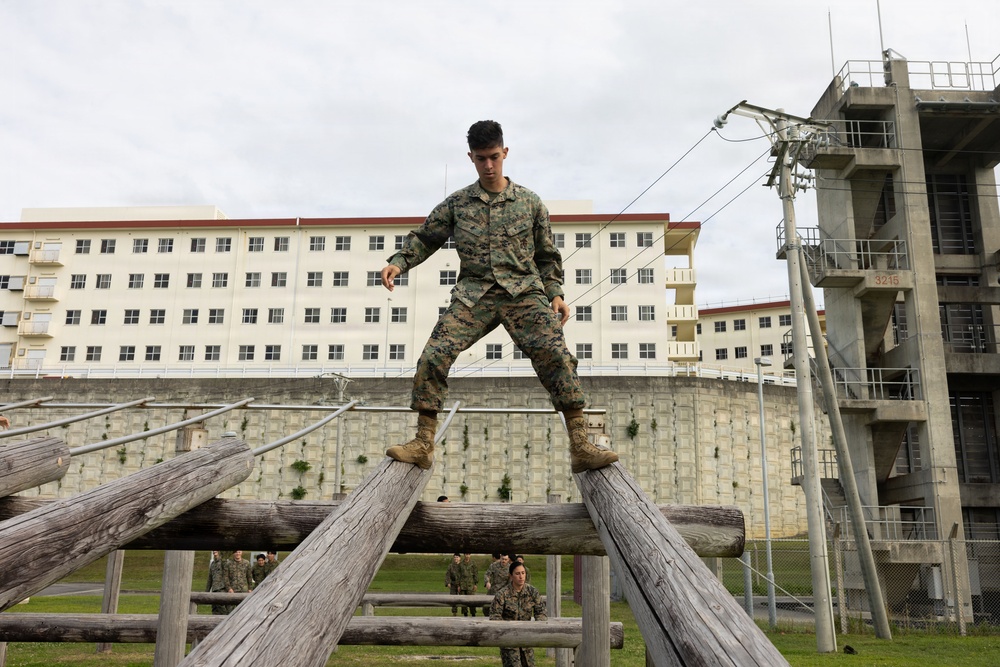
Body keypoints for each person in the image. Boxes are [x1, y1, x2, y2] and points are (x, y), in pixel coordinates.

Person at [380, 120, 619, 474]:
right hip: (474, 294)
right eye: (480, 159)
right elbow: (426, 237)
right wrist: (399, 263)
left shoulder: (529, 202)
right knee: (433, 356)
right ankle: (423, 442)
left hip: (524, 292)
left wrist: (555, 293)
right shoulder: (458, 203)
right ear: (471, 158)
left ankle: (580, 445)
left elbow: (547, 255)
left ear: (505, 153)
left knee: (556, 354)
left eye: (494, 157)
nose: (488, 166)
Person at [490, 561, 547, 667]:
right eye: (517, 574)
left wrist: (537, 627)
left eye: (523, 573)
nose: (521, 576)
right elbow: (494, 617)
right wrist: (506, 631)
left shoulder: (532, 592)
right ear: (510, 576)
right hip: (509, 643)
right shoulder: (502, 594)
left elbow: (541, 612)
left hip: (527, 641)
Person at [205, 550, 228, 615]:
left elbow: (228, 575)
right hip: (214, 589)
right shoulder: (212, 564)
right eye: (214, 552)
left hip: (221, 589)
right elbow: (210, 578)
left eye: (216, 552)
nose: (215, 553)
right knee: (214, 609)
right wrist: (206, 591)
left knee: (222, 608)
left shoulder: (224, 562)